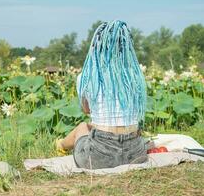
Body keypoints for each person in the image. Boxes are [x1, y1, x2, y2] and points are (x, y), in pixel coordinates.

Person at [56, 20, 148, 169]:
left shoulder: (86, 76)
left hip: (98, 158)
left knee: (82, 127)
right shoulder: (135, 76)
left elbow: (87, 111)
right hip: (136, 154)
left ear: (96, 47)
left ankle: (60, 145)